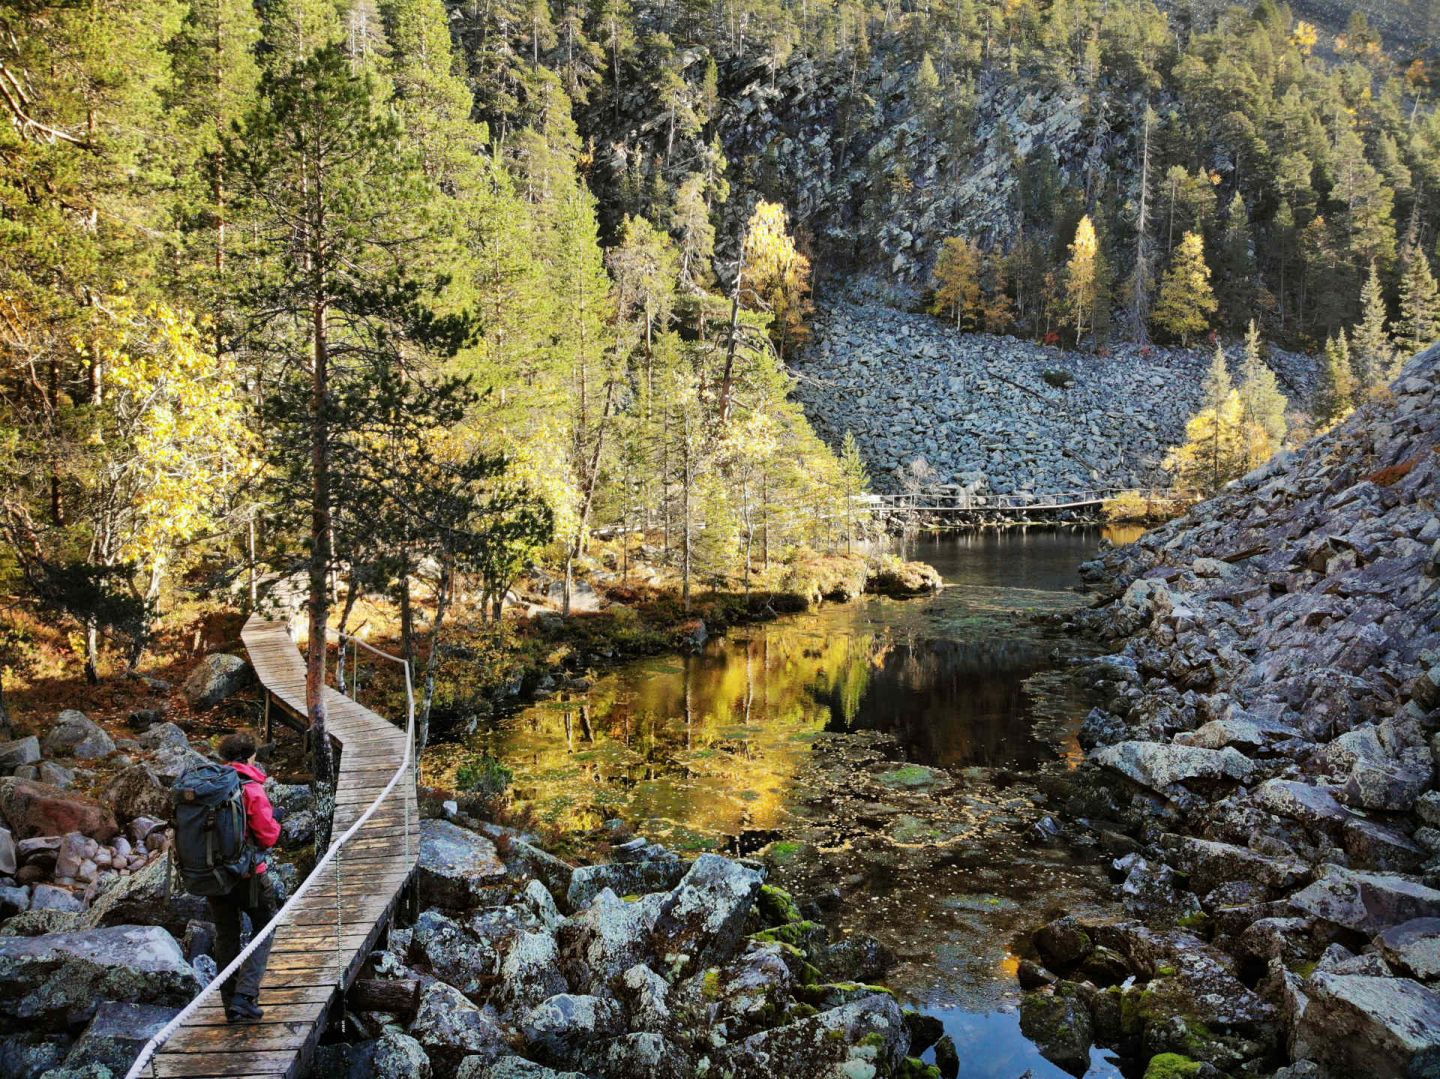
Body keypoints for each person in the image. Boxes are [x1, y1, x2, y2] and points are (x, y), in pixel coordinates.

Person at [211, 731, 283, 1023]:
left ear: (224, 758)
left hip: (212, 876)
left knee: (226, 935)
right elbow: (267, 837)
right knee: (265, 926)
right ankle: (245, 996)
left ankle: (230, 1003)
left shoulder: (210, 786)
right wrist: (276, 819)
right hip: (247, 876)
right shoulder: (250, 788)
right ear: (250, 756)